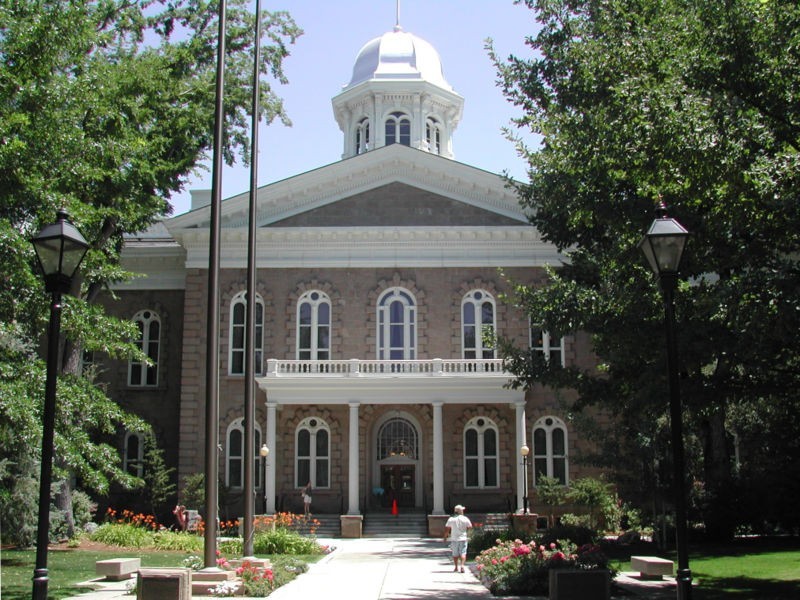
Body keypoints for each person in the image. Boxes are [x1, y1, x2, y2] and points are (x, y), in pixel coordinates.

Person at [443, 504, 472, 573]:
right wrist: (467, 532)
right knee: (463, 553)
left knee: (455, 554)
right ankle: (462, 565)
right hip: (463, 538)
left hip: (454, 538)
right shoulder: (465, 518)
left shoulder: (451, 519)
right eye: (462, 510)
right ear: (460, 511)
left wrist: (445, 537)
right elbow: (470, 527)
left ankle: (456, 567)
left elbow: (447, 529)